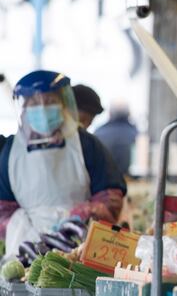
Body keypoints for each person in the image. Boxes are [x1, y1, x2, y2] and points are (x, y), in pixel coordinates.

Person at [0, 70, 127, 254]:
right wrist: (24, 229)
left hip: (81, 247)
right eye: (35, 103)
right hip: (25, 251)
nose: (43, 109)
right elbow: (3, 207)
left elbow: (111, 197)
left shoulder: (86, 144)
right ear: (25, 109)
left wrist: (86, 213)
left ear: (63, 104)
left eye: (50, 101)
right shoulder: (10, 151)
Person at [94, 102, 138, 176]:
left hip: (103, 179)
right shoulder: (135, 133)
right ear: (128, 114)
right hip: (129, 179)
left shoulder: (98, 132)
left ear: (110, 113)